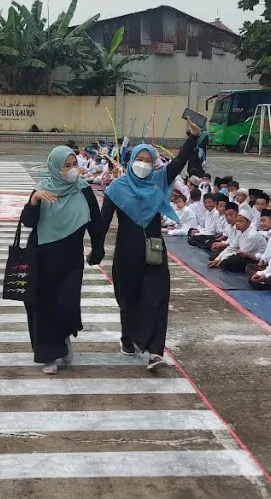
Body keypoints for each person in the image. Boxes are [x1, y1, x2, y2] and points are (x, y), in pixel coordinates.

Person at [101, 120, 200, 371]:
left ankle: (156, 351)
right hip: (126, 253)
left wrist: (192, 137)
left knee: (157, 298)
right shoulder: (116, 187)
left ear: (154, 162)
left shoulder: (159, 180)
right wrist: (97, 248)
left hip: (154, 251)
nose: (143, 163)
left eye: (148, 159)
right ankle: (128, 338)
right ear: (131, 159)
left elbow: (179, 162)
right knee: (129, 298)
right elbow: (103, 221)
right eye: (139, 158)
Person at [21, 146, 105, 375]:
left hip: (70, 259)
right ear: (55, 168)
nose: (71, 170)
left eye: (73, 165)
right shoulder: (41, 189)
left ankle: (64, 337)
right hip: (41, 256)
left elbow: (95, 222)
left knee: (66, 303)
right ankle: (48, 354)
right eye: (66, 166)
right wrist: (35, 200)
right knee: (43, 307)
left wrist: (98, 249)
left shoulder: (83, 190)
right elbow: (28, 221)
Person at [210, 207, 268, 272]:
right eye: (237, 221)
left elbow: (242, 253)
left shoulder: (252, 235)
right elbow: (232, 248)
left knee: (228, 262)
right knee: (215, 257)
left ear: (248, 223)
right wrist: (217, 259)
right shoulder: (240, 232)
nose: (237, 223)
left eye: (240, 221)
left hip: (255, 259)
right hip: (242, 254)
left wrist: (222, 259)